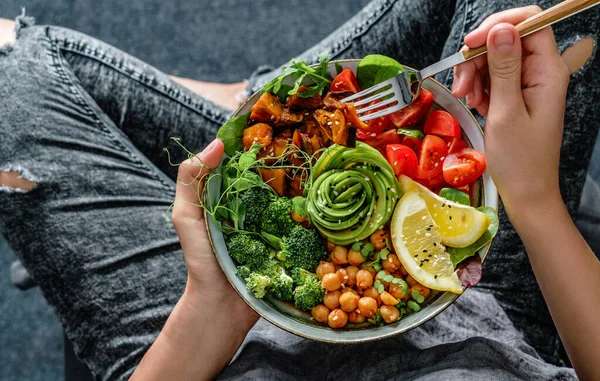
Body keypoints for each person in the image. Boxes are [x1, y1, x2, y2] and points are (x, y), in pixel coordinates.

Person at [0, 1, 599, 380]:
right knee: (536, 19)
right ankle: (240, 99)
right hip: (494, 312)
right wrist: (536, 204)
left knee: (11, 66)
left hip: (215, 343)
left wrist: (211, 311)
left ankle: (232, 101)